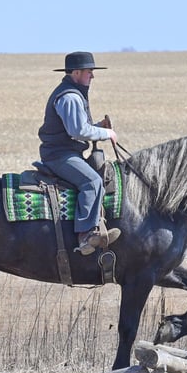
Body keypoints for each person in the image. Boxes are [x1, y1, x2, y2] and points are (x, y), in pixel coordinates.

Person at [38, 51, 121, 256]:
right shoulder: (70, 97)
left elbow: (77, 128)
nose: (92, 76)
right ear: (76, 73)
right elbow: (77, 131)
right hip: (60, 155)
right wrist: (106, 133)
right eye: (88, 71)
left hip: (64, 152)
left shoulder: (73, 93)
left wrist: (97, 126)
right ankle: (86, 235)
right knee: (92, 182)